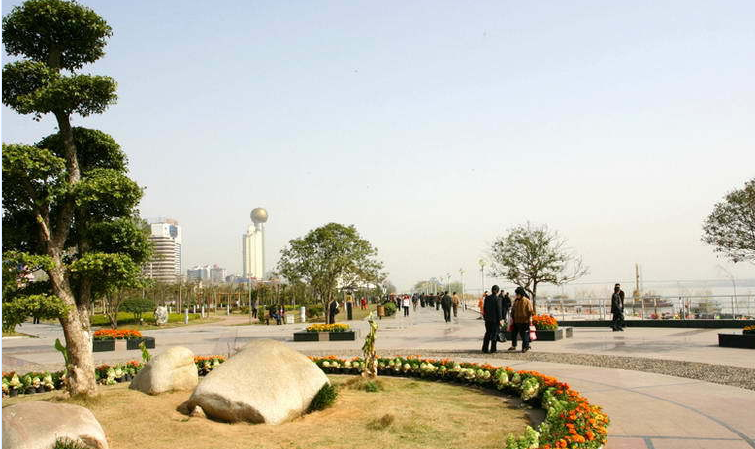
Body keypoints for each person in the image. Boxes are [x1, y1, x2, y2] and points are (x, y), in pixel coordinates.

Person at [508, 287, 534, 353]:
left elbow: (531, 311)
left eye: (517, 294)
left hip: (524, 321)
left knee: (524, 335)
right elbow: (513, 309)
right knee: (513, 334)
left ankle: (525, 347)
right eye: (516, 294)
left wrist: (530, 320)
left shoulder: (527, 301)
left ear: (521, 294)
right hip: (516, 321)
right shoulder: (516, 301)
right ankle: (514, 345)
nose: (516, 295)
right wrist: (512, 316)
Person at [482, 285, 504, 353]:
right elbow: (499, 310)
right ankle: (493, 349)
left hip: (488, 320)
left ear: (491, 290)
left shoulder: (487, 298)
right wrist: (500, 319)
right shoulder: (498, 299)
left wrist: (485, 317)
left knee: (487, 334)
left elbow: (484, 309)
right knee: (494, 334)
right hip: (495, 320)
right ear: (498, 291)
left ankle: (485, 349)